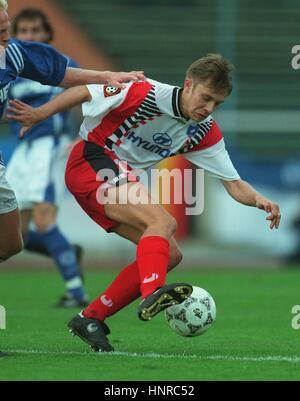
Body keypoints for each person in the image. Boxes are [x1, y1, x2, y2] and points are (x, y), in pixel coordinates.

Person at [8, 53, 281, 353]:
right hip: (91, 159)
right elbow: (85, 90)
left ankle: (91, 318)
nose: (209, 108)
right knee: (163, 222)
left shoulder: (203, 130)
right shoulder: (144, 91)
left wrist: (259, 199)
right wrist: (41, 113)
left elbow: (233, 182)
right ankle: (153, 292)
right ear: (188, 84)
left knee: (171, 254)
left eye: (217, 103)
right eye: (206, 97)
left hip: (111, 179)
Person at [0, 0, 145, 264]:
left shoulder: (14, 54)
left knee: (11, 242)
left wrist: (107, 77)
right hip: (29, 149)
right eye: (2, 32)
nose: (8, 36)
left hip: (43, 147)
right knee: (37, 224)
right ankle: (75, 287)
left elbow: (63, 77)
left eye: (8, 27)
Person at [5, 8, 89, 308]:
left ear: (46, 35)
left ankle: (76, 291)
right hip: (24, 149)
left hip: (51, 146)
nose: (29, 36)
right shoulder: (12, 66)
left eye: (35, 31)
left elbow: (84, 92)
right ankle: (65, 250)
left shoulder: (58, 65)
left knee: (43, 223)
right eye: (23, 31)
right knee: (16, 234)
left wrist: (82, 134)